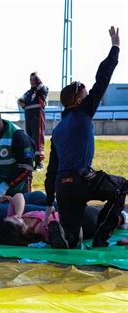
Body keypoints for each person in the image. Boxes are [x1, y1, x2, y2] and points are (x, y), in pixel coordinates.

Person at [44, 26, 126, 249]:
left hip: (63, 186)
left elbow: (52, 169)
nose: (90, 95)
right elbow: (103, 79)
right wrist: (115, 47)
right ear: (79, 100)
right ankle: (100, 238)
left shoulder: (58, 130)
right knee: (121, 187)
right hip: (82, 178)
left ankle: (66, 236)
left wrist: (50, 200)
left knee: (71, 235)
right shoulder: (83, 111)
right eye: (85, 94)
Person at [0, 193, 101, 246]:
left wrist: (18, 213)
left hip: (76, 213)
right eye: (15, 219)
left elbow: (18, 196)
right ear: (21, 231)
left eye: (10, 217)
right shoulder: (41, 230)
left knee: (106, 217)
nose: (14, 216)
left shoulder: (19, 216)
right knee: (102, 219)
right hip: (84, 222)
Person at [18, 72, 49, 170]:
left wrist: (37, 78)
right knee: (29, 139)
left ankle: (39, 163)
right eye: (30, 79)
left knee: (38, 139)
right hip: (29, 118)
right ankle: (30, 161)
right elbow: (20, 100)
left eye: (34, 79)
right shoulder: (28, 92)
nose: (32, 82)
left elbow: (42, 88)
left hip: (37, 118)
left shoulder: (43, 90)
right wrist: (22, 103)